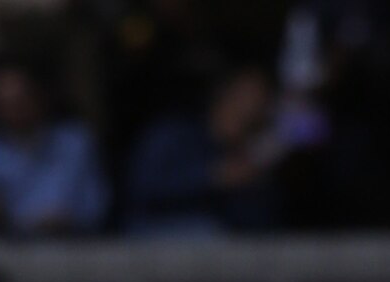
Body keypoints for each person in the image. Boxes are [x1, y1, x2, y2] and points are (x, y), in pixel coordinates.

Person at [123, 68, 293, 235]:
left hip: (222, 237)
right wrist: (212, 176)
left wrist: (257, 179)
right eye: (242, 99)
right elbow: (143, 187)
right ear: (223, 96)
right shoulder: (172, 134)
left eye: (258, 103)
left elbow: (261, 224)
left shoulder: (250, 152)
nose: (248, 108)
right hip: (153, 231)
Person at [0, 61, 108, 236]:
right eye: (2, 104)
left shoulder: (75, 142)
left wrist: (66, 219)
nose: (12, 111)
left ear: (40, 97)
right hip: (4, 247)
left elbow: (96, 206)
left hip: (75, 245)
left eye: (19, 101)